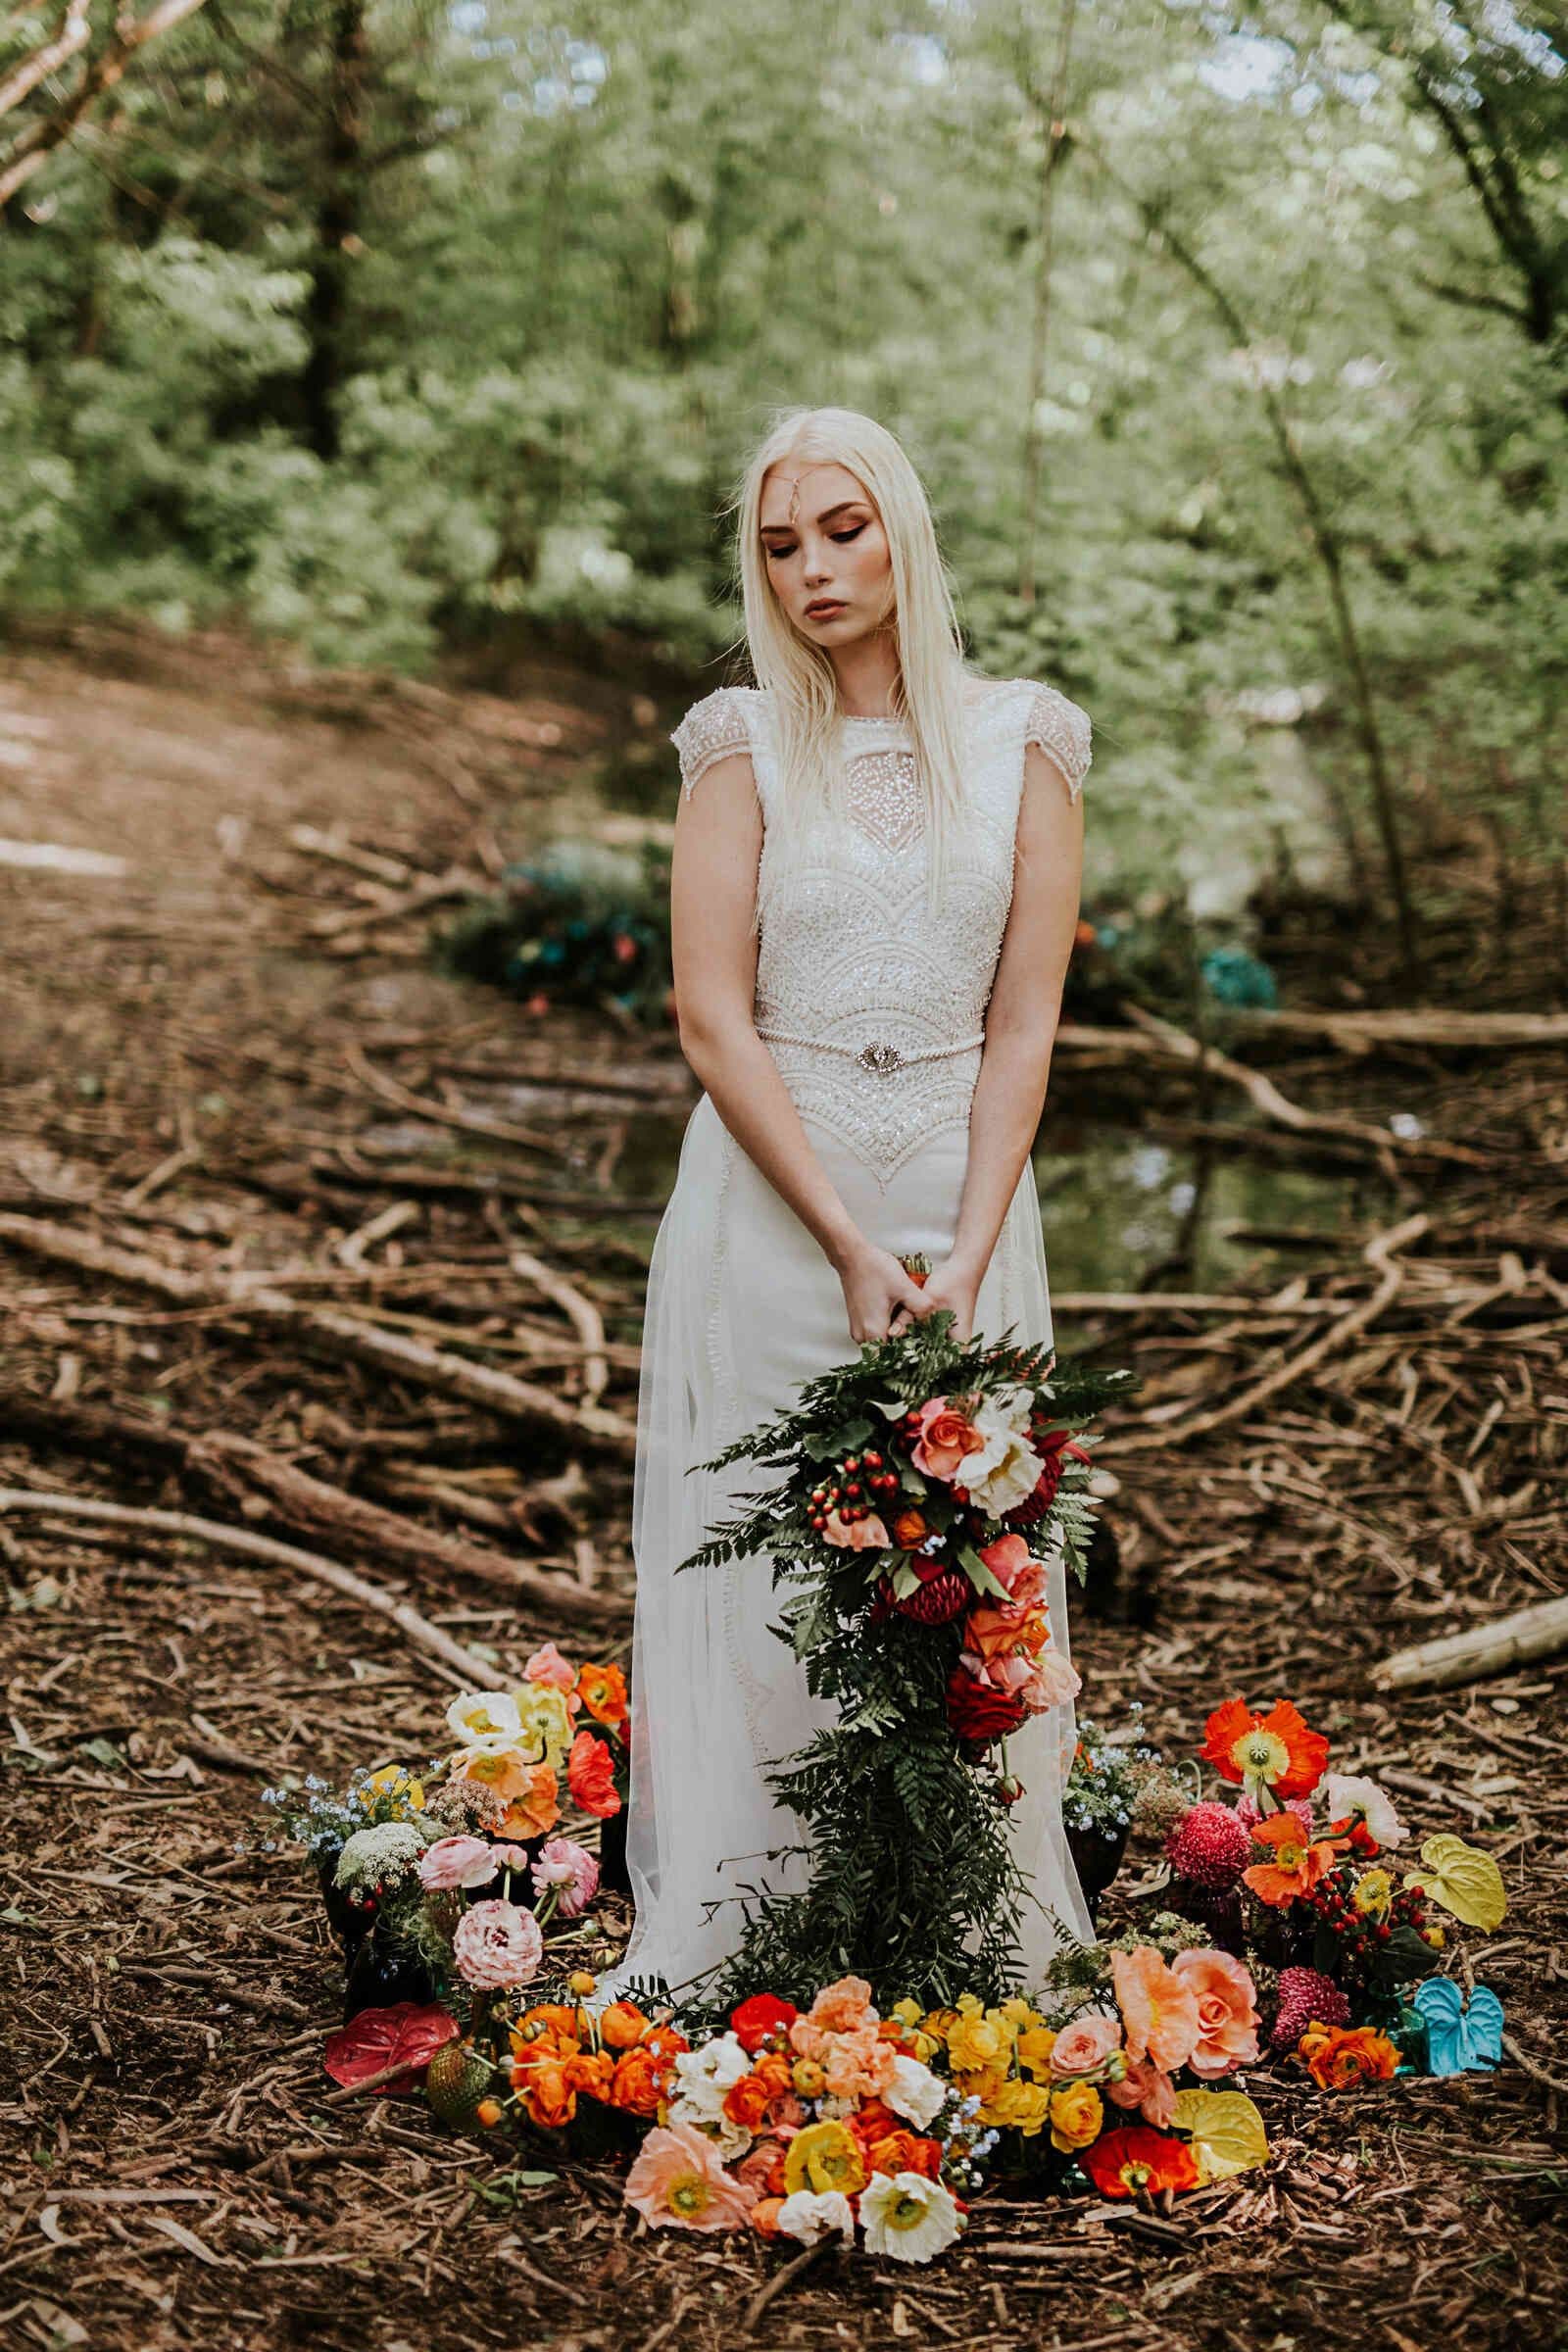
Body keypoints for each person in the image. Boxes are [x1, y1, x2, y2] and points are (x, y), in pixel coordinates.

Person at [612, 405, 1095, 2002]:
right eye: (779, 544)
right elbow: (707, 1013)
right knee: (760, 1551)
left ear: (902, 530)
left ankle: (953, 1928)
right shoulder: (739, 744)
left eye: (842, 528)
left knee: (968, 1558)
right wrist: (838, 1236)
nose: (814, 568)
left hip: (964, 1202)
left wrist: (962, 1243)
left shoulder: (1028, 740)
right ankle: (761, 1933)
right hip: (775, 1195)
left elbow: (1026, 1019)